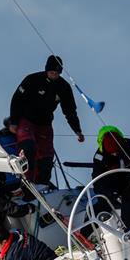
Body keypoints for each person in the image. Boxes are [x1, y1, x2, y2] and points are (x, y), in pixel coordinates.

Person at [9, 55, 83, 184]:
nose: (53, 75)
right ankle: (24, 181)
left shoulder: (64, 87)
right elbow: (16, 100)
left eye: (56, 73)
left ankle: (41, 185)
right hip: (27, 121)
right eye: (51, 72)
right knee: (29, 148)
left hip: (45, 125)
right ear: (46, 70)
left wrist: (77, 130)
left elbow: (70, 111)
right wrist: (14, 121)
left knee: (46, 158)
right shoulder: (32, 79)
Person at [91, 125, 130, 229]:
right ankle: (83, 236)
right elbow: (97, 181)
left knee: (129, 196)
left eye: (117, 151)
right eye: (112, 153)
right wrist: (110, 193)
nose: (115, 154)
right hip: (111, 187)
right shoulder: (99, 157)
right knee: (100, 205)